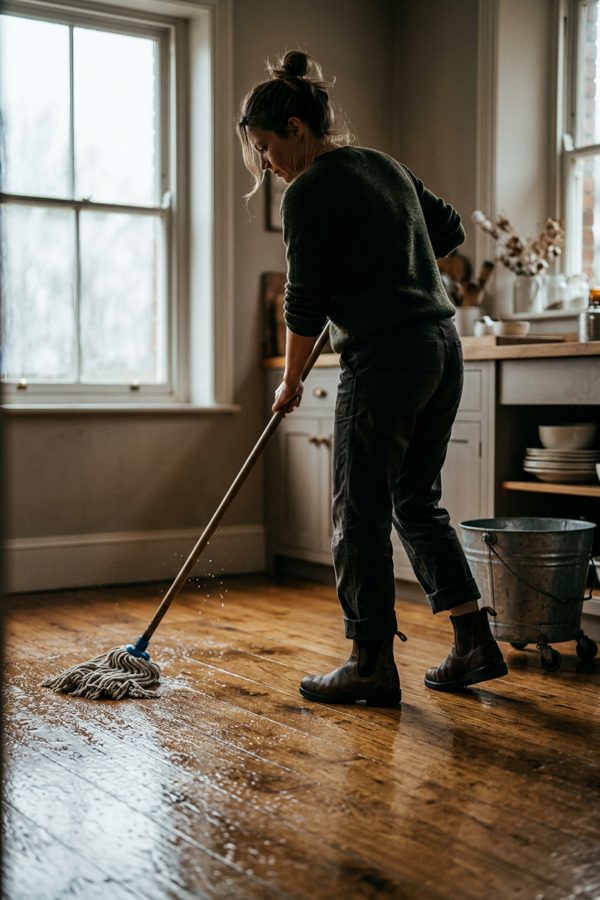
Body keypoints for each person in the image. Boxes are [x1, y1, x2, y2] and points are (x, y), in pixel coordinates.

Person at [238, 50, 508, 707]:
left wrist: (290, 379)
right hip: (443, 347)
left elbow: (302, 303)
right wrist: (387, 260)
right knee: (415, 499)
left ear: (297, 129)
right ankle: (474, 639)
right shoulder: (385, 166)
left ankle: (368, 662)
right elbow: (445, 231)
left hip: (387, 358)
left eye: (269, 148)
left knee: (358, 508)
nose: (268, 165)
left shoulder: (307, 192)